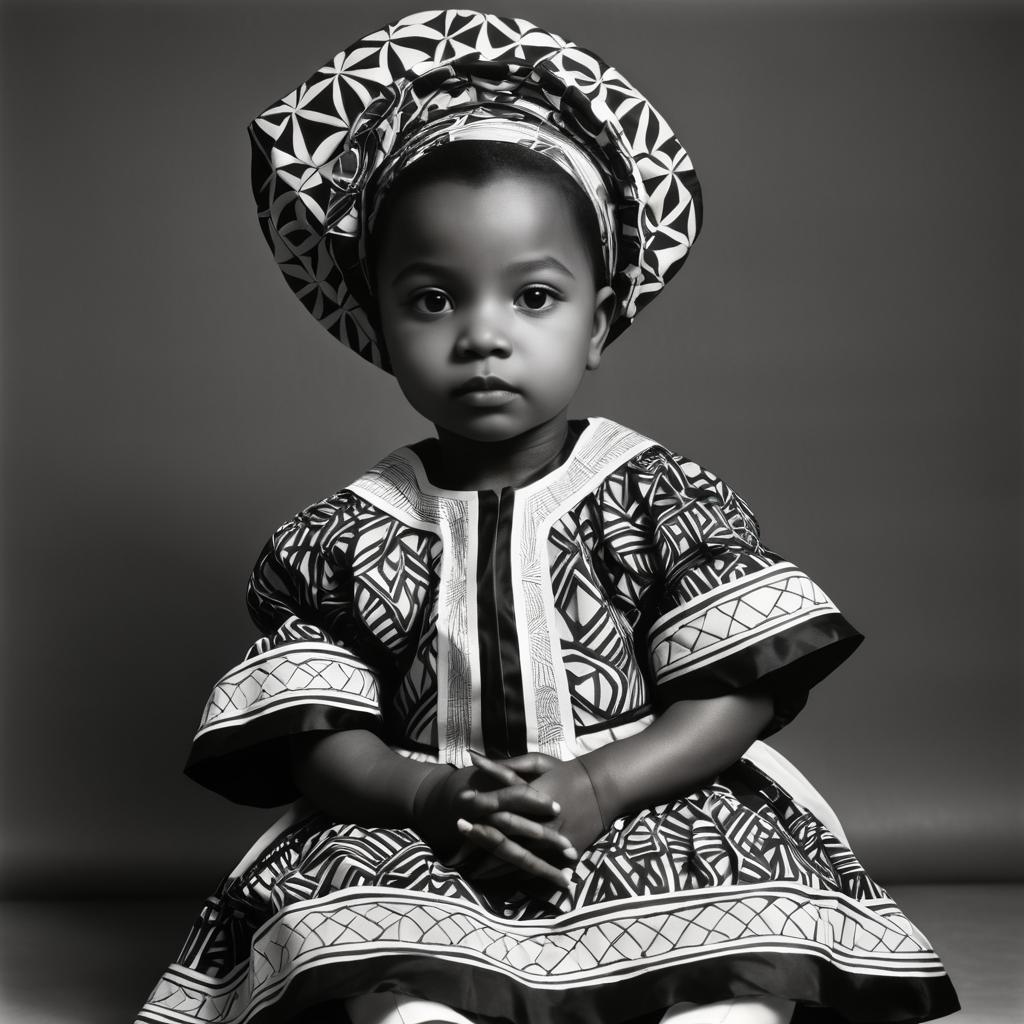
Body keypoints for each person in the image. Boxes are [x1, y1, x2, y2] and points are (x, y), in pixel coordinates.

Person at [136, 10, 959, 1024]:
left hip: (642, 802)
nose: (483, 335)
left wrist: (603, 787)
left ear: (600, 319)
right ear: (378, 323)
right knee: (345, 931)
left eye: (531, 297)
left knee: (736, 937)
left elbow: (739, 691)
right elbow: (321, 737)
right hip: (431, 822)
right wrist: (430, 797)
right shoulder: (342, 535)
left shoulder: (655, 497)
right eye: (434, 300)